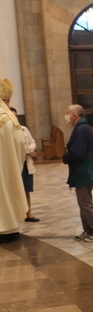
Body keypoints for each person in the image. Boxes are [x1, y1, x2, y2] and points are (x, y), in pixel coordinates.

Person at [62, 104, 93, 242]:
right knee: (84, 203)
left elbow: (78, 153)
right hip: (85, 171)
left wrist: (66, 157)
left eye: (67, 113)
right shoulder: (83, 128)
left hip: (84, 171)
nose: (66, 116)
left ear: (75, 115)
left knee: (85, 203)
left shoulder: (81, 129)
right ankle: (89, 230)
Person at [0, 79, 28, 243]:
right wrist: (15, 161)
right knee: (9, 191)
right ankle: (10, 228)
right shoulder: (10, 119)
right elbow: (20, 144)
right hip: (8, 166)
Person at [9, 107, 39, 222]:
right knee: (15, 191)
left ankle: (29, 214)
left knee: (26, 190)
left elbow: (32, 141)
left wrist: (30, 149)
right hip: (14, 164)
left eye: (15, 115)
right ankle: (16, 215)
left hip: (25, 163)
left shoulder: (23, 129)